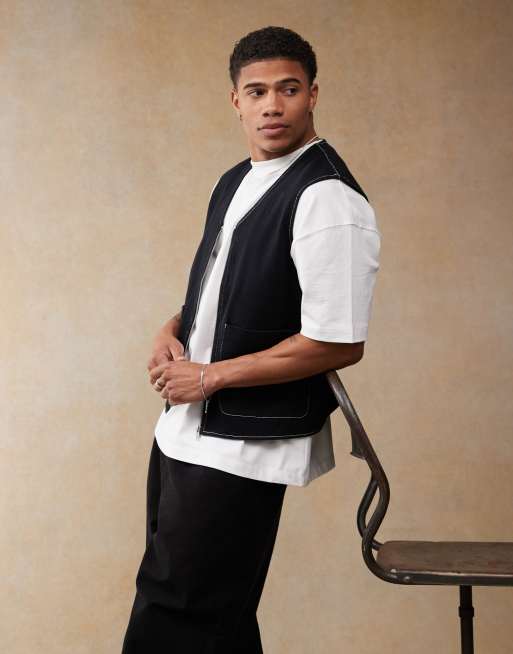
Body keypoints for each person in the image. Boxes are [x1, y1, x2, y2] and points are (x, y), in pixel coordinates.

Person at [121, 25, 381, 653]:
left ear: (312, 94)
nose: (272, 105)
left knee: (177, 617)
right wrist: (171, 328)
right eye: (257, 91)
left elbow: (338, 342)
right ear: (235, 100)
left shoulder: (328, 199)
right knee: (218, 621)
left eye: (288, 89)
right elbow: (222, 289)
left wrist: (209, 376)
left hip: (244, 441)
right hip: (186, 427)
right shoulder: (237, 179)